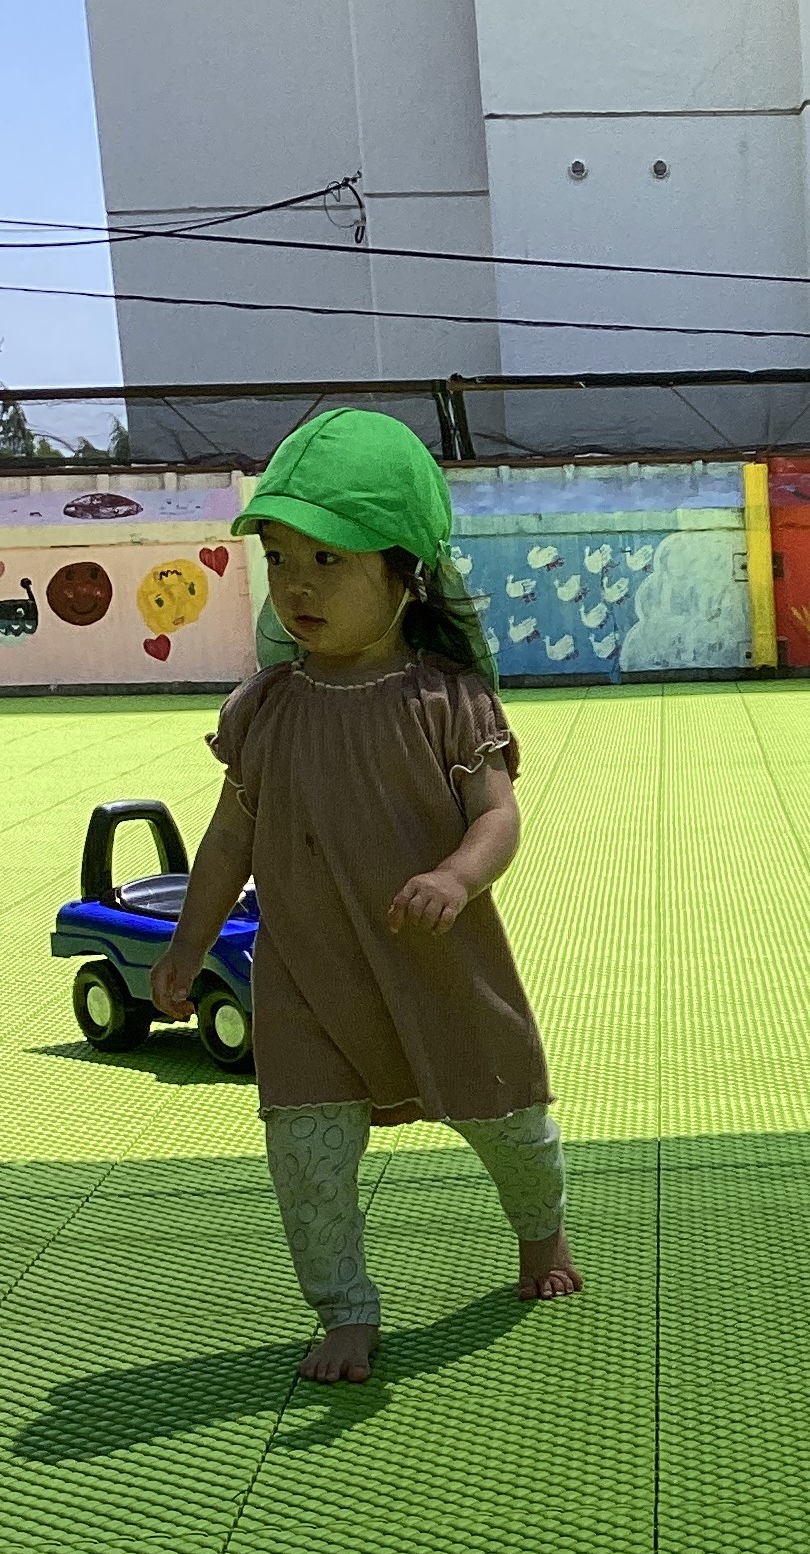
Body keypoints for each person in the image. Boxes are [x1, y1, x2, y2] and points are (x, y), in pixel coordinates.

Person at [151, 409, 580, 1385]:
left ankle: (540, 1229)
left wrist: (456, 875)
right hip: (307, 977)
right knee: (305, 1150)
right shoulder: (266, 710)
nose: (297, 584)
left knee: (508, 1117)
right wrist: (187, 943)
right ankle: (344, 1307)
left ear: (403, 573)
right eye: (279, 558)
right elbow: (228, 839)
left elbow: (498, 815)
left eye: (329, 559)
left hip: (438, 966)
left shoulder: (447, 699)